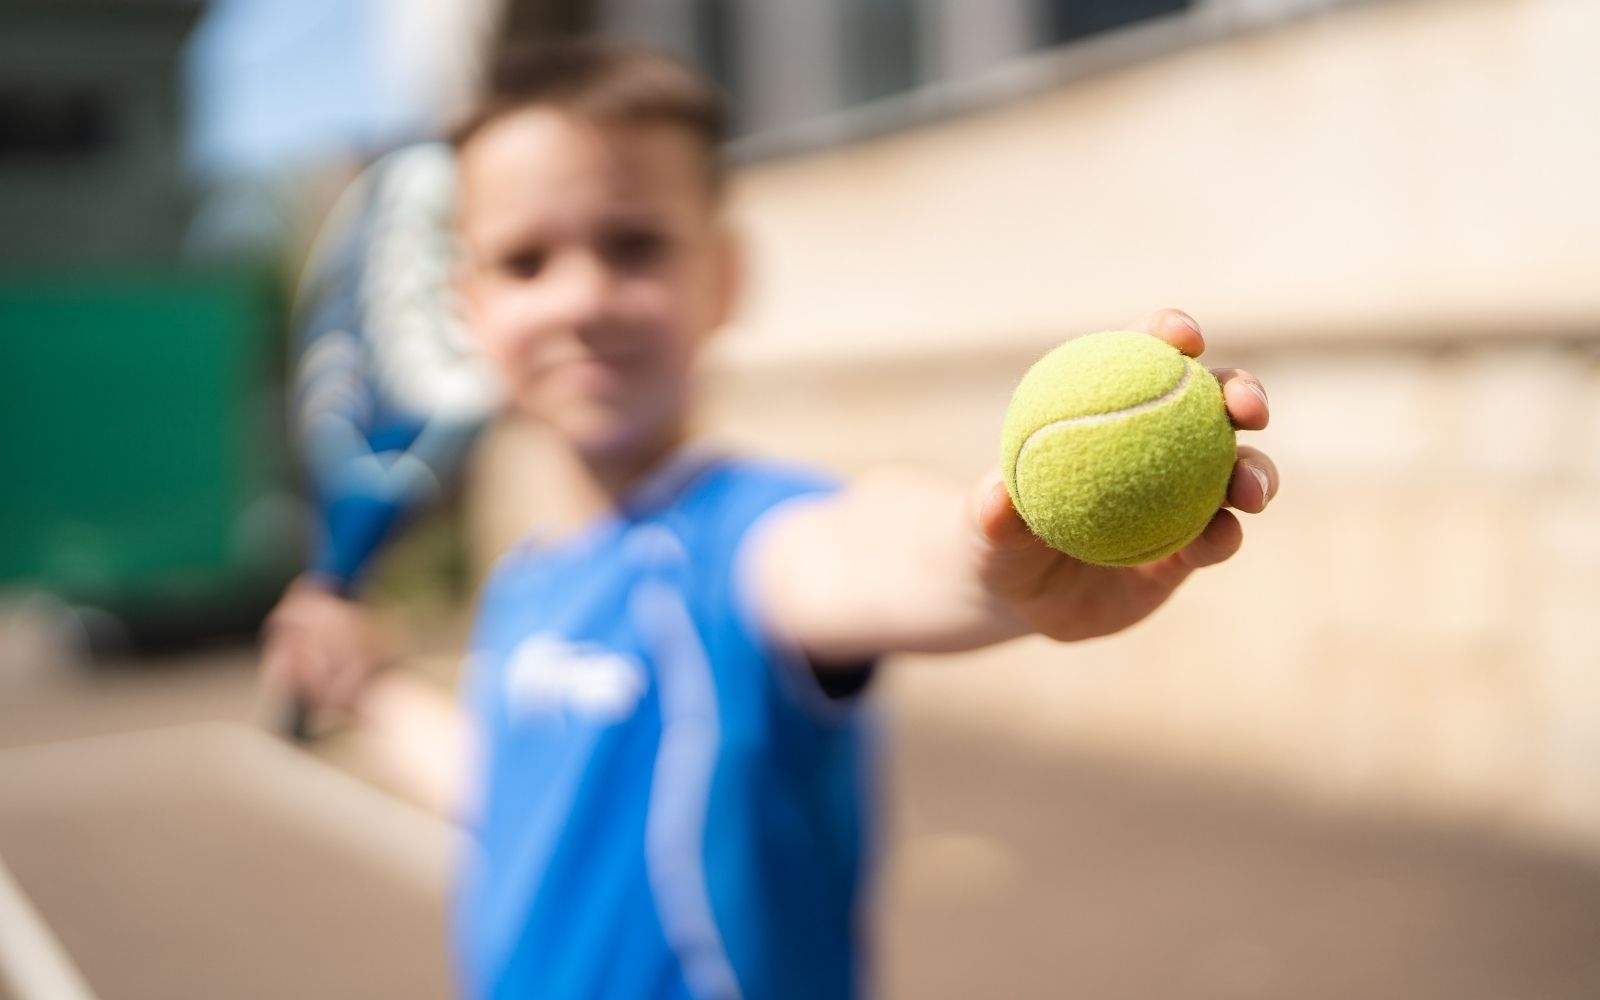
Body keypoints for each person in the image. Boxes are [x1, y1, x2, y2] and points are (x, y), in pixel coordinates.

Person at [264, 38, 1279, 1000]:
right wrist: (374, 688)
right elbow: (520, 794)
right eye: (526, 261)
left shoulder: (746, 538)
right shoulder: (525, 578)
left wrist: (987, 563)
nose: (581, 296)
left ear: (724, 277)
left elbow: (859, 550)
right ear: (467, 306)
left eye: (633, 245)